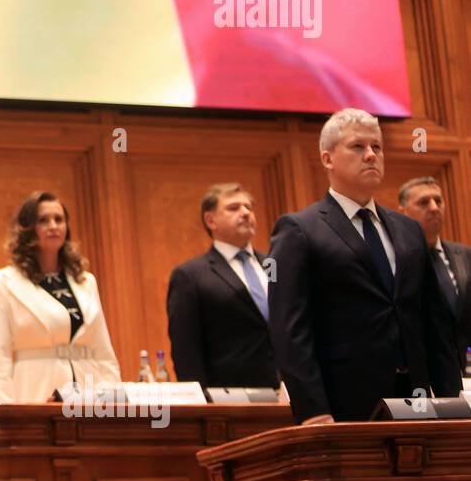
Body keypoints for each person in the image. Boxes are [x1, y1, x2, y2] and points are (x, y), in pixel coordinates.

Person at [268, 109, 462, 423]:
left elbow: (434, 322)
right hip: (344, 405)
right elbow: (290, 330)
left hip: (417, 401)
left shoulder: (408, 230)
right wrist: (314, 411)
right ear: (328, 159)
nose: (371, 155)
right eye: (358, 147)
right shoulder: (299, 230)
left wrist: (452, 402)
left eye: (377, 147)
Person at [0, 191, 120, 404]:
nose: (54, 226)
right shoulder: (1, 284)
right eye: (43, 220)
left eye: (59, 219)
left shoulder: (85, 281)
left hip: (91, 395)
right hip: (35, 393)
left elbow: (103, 351)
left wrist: (114, 400)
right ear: (28, 229)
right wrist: (7, 417)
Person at [166, 183, 279, 387]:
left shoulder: (272, 264)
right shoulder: (190, 275)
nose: (245, 213)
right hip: (230, 398)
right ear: (211, 220)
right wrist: (202, 405)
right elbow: (186, 350)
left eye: (249, 207)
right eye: (234, 208)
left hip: (289, 392)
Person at [397, 176, 471, 378]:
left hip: (465, 372)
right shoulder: (395, 258)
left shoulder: (465, 255)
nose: (434, 207)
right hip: (417, 376)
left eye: (438, 201)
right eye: (423, 202)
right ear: (402, 212)